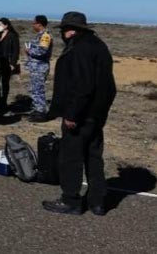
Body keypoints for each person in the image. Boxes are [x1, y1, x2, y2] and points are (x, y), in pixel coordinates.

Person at [42, 12, 115, 216]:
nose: (63, 34)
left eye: (64, 30)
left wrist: (72, 114)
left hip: (81, 114)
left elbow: (83, 85)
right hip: (96, 113)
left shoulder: (79, 49)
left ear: (71, 30)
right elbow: (109, 86)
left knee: (71, 157)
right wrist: (102, 111)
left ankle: (71, 200)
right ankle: (97, 202)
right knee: (94, 156)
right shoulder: (99, 46)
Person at [24, 15, 53, 122]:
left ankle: (41, 112)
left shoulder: (45, 36)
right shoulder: (39, 35)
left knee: (38, 90)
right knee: (34, 89)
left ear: (39, 24)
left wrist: (29, 51)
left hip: (40, 67)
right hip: (36, 67)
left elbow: (42, 51)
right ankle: (37, 110)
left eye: (34, 23)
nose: (33, 25)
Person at [0, 17, 19, 114]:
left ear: (6, 25)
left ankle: (3, 101)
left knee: (5, 82)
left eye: (0, 24)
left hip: (7, 62)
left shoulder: (12, 36)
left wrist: (13, 63)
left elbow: (15, 50)